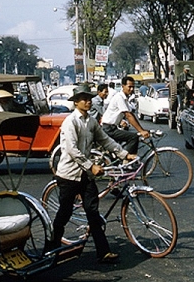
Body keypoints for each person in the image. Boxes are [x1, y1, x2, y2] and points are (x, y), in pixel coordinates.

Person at [51, 83, 136, 263]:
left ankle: (103, 252)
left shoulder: (90, 121)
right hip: (69, 175)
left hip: (85, 176)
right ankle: (51, 249)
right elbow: (72, 150)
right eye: (84, 99)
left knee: (93, 212)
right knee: (64, 213)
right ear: (76, 102)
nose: (88, 102)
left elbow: (105, 140)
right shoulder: (70, 122)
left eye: (89, 99)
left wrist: (124, 154)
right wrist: (91, 166)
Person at [101, 76, 150, 154]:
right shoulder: (119, 97)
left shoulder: (125, 98)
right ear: (123, 86)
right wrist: (140, 131)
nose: (131, 89)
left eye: (133, 87)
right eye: (129, 87)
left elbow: (131, 114)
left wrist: (142, 129)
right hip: (109, 129)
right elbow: (128, 115)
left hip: (113, 127)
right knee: (133, 137)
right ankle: (127, 160)